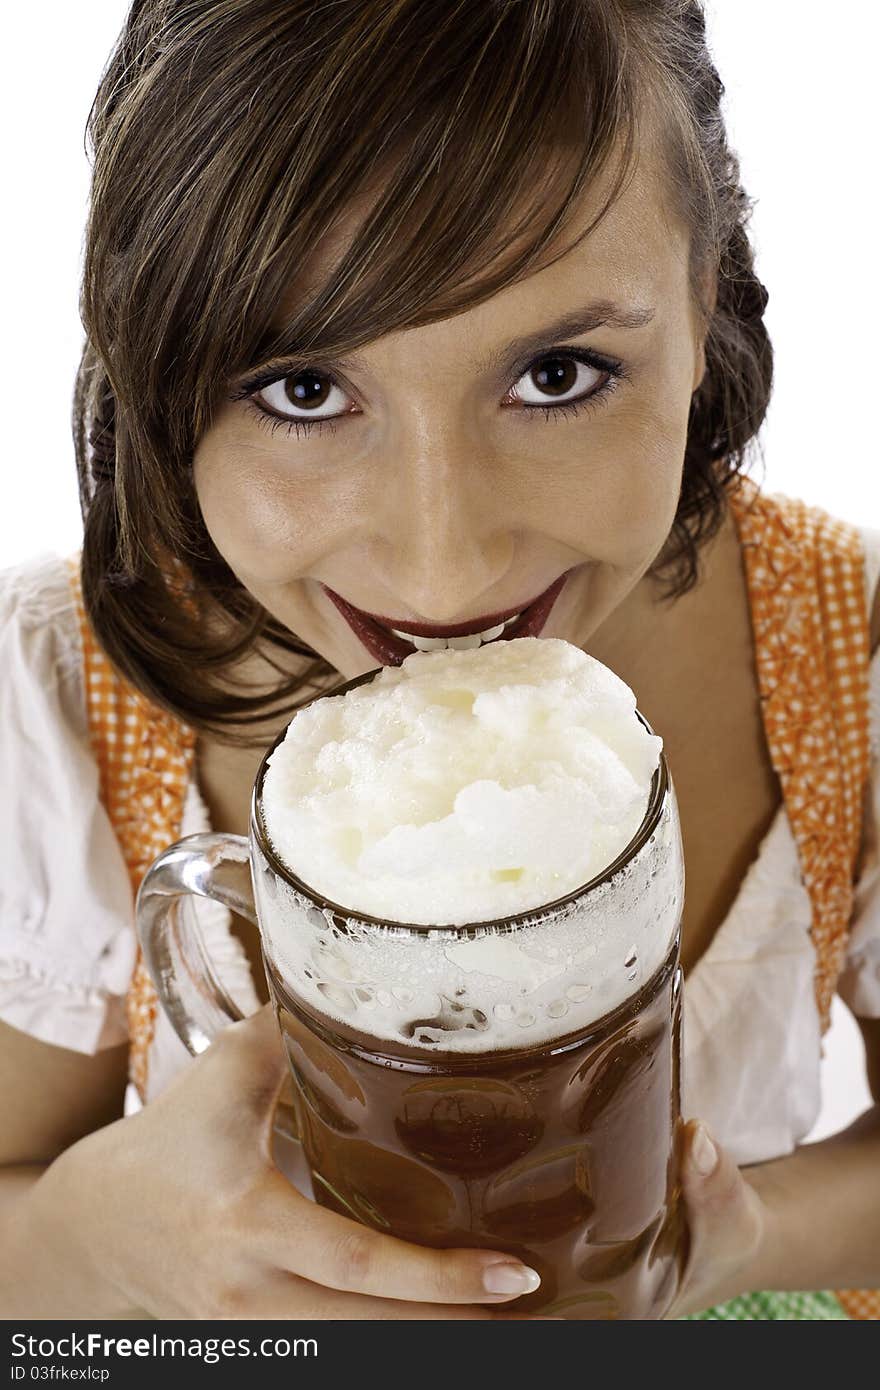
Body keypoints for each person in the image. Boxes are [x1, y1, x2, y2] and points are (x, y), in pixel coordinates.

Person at [1, 0, 878, 1321]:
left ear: (707, 298)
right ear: (152, 358)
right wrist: (91, 1242)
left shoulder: (846, 641)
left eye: (562, 371)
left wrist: (737, 1241)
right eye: (303, 388)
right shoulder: (60, 696)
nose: (444, 570)